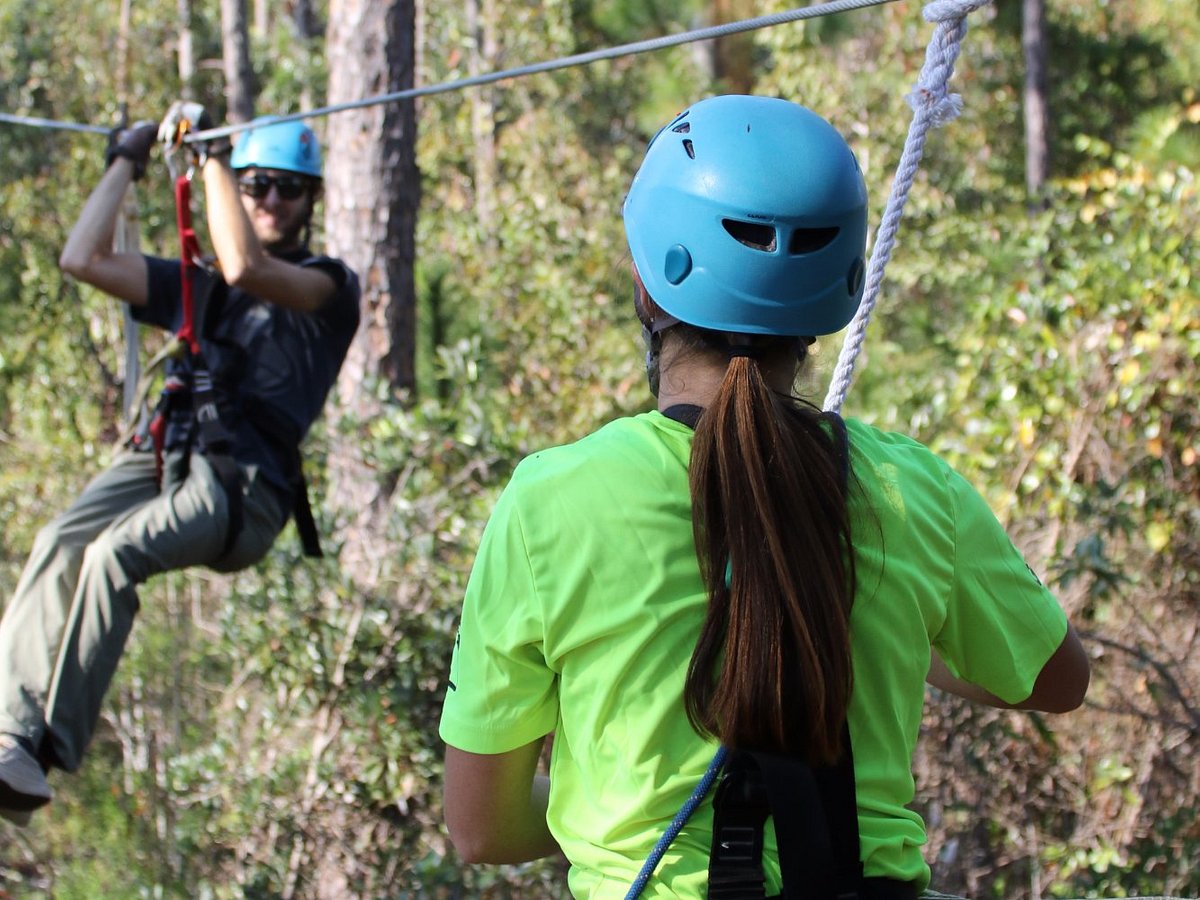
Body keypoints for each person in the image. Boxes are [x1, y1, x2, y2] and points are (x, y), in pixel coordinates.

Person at [438, 95, 1089, 898]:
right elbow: (1055, 679)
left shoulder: (552, 500)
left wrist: (606, 796)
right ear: (832, 295)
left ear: (647, 285)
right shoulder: (913, 488)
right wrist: (900, 630)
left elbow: (481, 828)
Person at [0, 104, 361, 826]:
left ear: (311, 200)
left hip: (243, 492)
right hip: (170, 453)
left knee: (112, 555)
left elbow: (244, 265)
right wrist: (125, 162)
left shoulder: (329, 288)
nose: (269, 200)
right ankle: (9, 732)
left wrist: (214, 160)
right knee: (59, 543)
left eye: (286, 188)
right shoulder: (202, 288)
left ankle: (40, 755)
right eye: (257, 185)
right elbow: (82, 259)